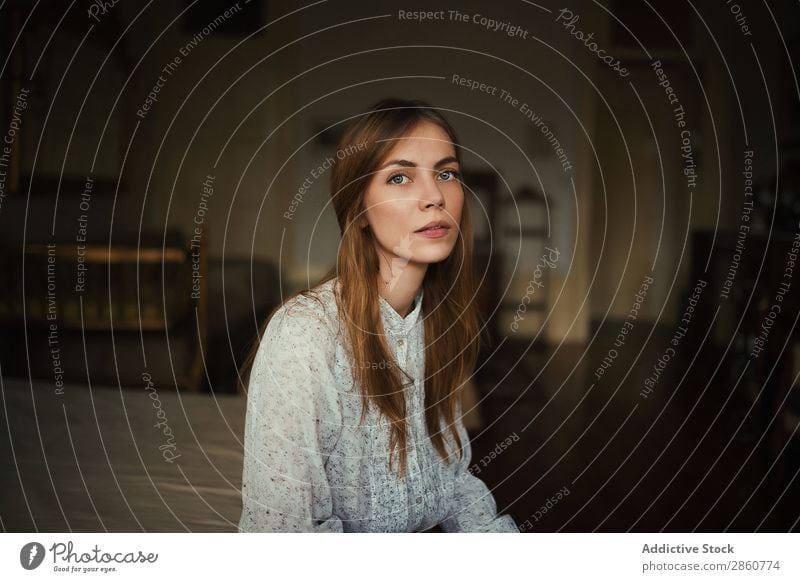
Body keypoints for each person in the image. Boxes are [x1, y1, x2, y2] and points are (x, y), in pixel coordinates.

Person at [237, 97, 519, 533]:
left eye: (446, 174)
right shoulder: (304, 334)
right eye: (400, 177)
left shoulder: (439, 321)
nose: (434, 197)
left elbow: (455, 482)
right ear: (359, 209)